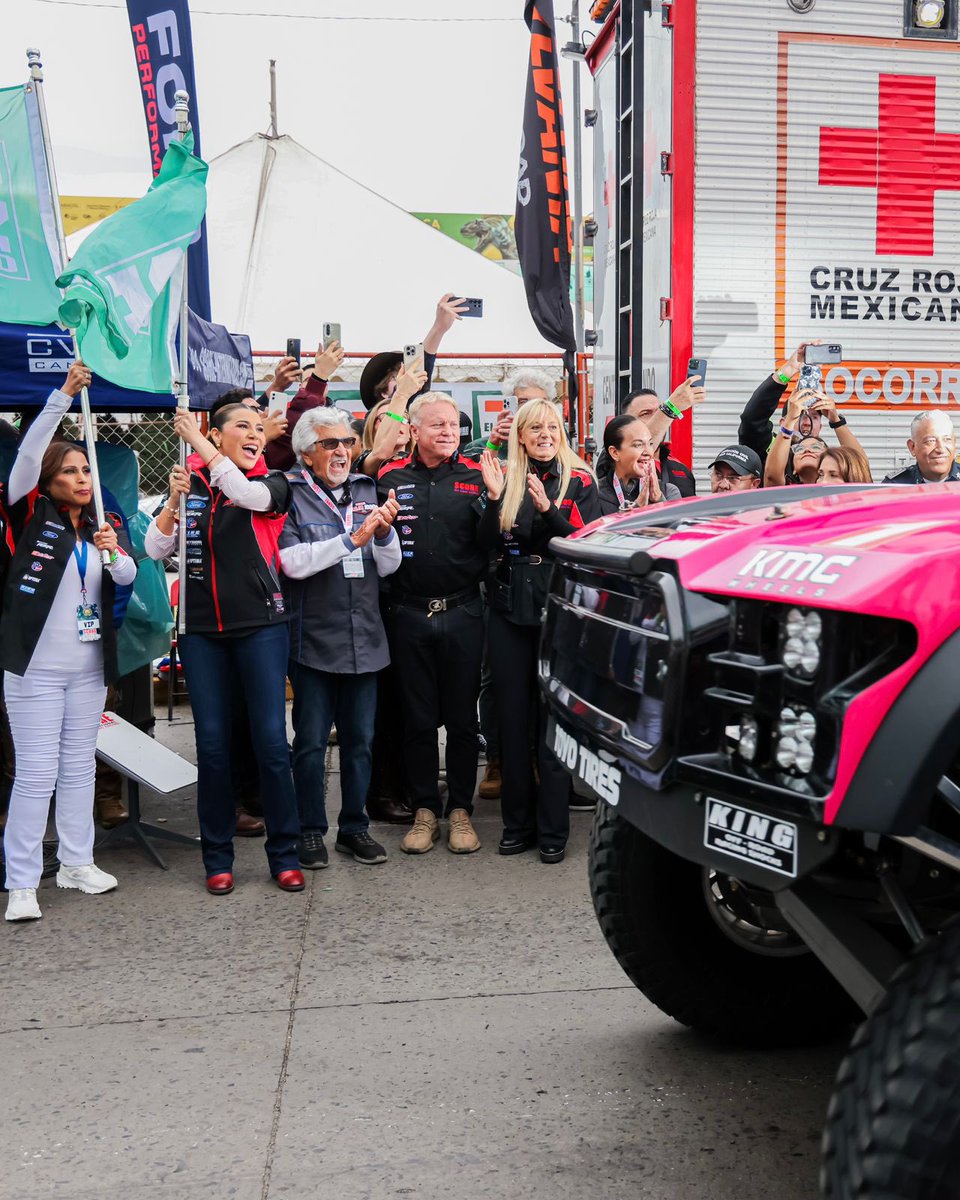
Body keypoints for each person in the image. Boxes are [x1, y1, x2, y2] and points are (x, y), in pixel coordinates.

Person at [145, 404, 303, 896]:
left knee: (272, 744)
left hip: (260, 627)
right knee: (212, 748)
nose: (255, 434)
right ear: (218, 432)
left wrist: (201, 446)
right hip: (200, 632)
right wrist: (173, 502)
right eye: (244, 426)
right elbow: (155, 549)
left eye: (260, 428)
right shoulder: (190, 479)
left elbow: (247, 495)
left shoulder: (272, 482)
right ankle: (217, 856)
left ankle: (285, 854)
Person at [2, 363, 138, 922]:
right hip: (32, 668)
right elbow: (28, 457)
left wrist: (116, 552)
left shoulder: (99, 525)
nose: (83, 478)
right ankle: (23, 881)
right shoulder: (27, 509)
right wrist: (62, 397)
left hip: (87, 667)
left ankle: (79, 863)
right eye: (71, 471)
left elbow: (126, 579)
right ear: (48, 481)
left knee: (80, 765)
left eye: (87, 470)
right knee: (37, 772)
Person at [279, 408, 402, 869]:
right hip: (314, 639)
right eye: (330, 444)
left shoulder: (369, 491)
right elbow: (292, 562)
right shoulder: (290, 493)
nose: (341, 452)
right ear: (306, 454)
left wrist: (383, 537)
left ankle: (354, 827)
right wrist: (354, 539)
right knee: (310, 742)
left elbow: (388, 567)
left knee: (361, 741)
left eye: (347, 443)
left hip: (365, 638)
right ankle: (309, 831)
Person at [478, 400, 600, 864]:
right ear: (521, 436)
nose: (544, 434)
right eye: (535, 428)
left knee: (553, 725)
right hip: (509, 610)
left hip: (559, 609)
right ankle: (517, 825)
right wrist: (492, 501)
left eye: (551, 426)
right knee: (513, 723)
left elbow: (582, 545)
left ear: (561, 433)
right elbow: (484, 543)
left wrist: (549, 510)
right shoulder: (503, 475)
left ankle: (553, 831)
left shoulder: (581, 479)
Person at [378, 393, 488, 856]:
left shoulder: (479, 477)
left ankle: (460, 810)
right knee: (418, 719)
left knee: (463, 720)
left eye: (454, 425)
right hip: (407, 613)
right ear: (415, 431)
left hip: (463, 612)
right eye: (437, 425)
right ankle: (426, 808)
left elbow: (494, 540)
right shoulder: (389, 476)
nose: (448, 432)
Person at [358, 293, 469, 411]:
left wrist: (439, 328)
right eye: (398, 376)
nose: (408, 378)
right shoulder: (377, 423)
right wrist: (438, 327)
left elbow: (426, 358)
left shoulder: (418, 417)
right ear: (384, 392)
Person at [738, 342, 827, 469]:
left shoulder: (829, 458)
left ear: (821, 427)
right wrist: (789, 369)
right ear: (783, 422)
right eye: (799, 415)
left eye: (814, 417)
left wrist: (837, 421)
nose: (807, 423)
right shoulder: (770, 447)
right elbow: (752, 421)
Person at [595, 389, 697, 497]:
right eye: (645, 413)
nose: (657, 417)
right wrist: (670, 408)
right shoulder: (610, 462)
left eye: (659, 411)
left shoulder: (681, 471)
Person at [263, 341, 345, 471]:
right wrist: (319, 376)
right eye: (308, 380)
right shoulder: (285, 417)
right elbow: (302, 418)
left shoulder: (343, 418)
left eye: (323, 381)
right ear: (301, 386)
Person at [764, 389, 869, 487]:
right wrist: (790, 420)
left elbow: (860, 467)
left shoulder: (837, 493)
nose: (807, 450)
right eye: (799, 449)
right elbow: (772, 476)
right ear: (793, 468)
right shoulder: (785, 490)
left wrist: (836, 421)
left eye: (816, 447)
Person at [462, 367, 558, 461]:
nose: (531, 408)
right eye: (523, 402)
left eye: (538, 402)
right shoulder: (478, 448)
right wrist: (493, 445)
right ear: (510, 405)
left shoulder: (556, 445)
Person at [598, 415, 682, 514]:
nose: (648, 452)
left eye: (650, 444)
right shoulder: (595, 494)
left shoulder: (669, 491)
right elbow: (594, 529)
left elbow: (676, 528)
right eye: (638, 445)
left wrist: (659, 500)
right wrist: (637, 508)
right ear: (615, 453)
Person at [884, 412, 960, 485]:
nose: (941, 449)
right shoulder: (895, 485)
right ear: (912, 447)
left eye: (947, 439)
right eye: (931, 441)